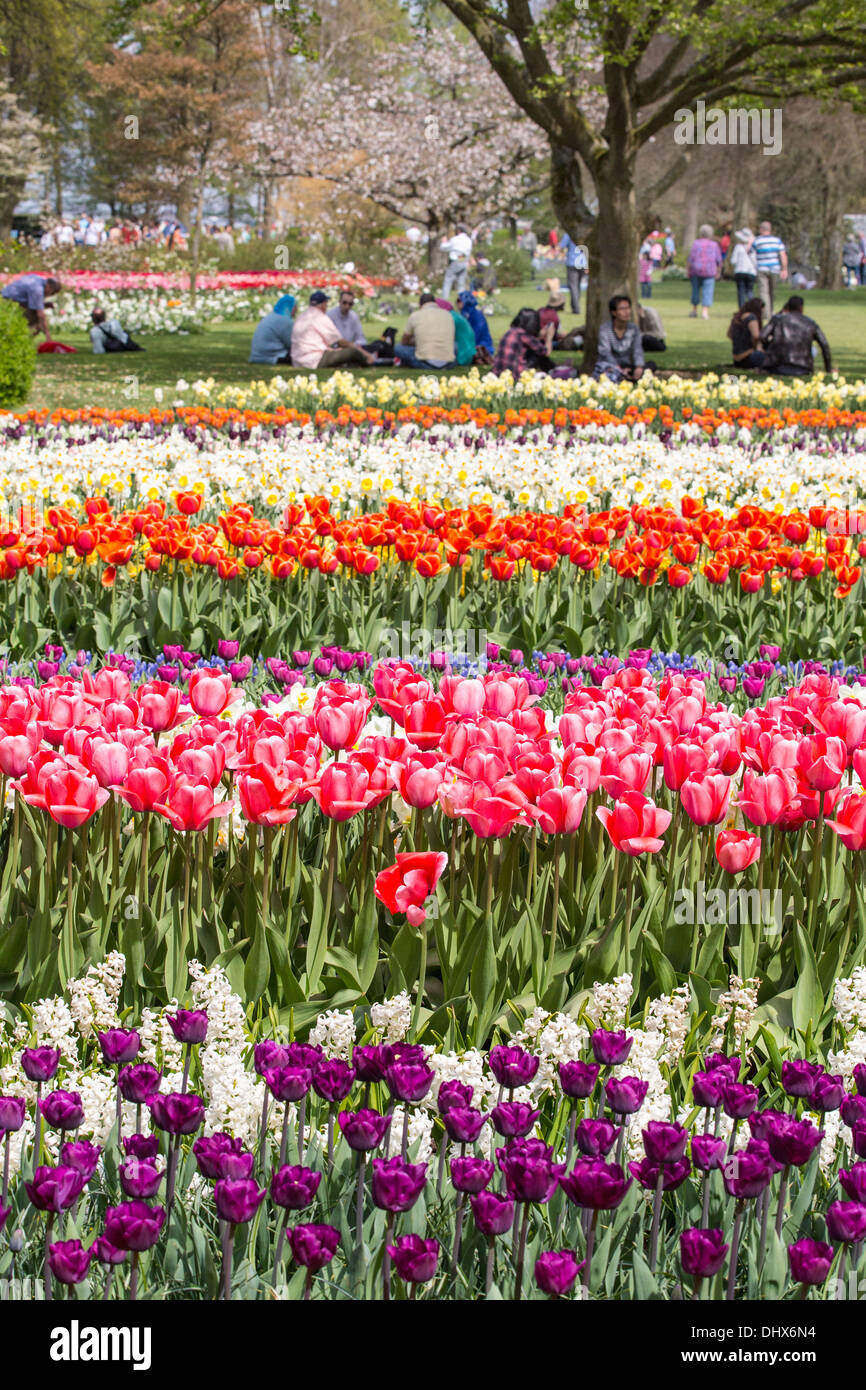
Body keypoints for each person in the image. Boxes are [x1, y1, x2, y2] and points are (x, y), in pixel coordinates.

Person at [290, 290, 377, 369]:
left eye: (350, 304)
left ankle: (351, 364)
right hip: (314, 360)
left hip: (297, 361)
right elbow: (341, 342)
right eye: (344, 303)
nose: (347, 306)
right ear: (323, 304)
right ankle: (369, 362)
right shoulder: (320, 317)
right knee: (352, 352)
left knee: (349, 351)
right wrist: (366, 355)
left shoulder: (302, 316)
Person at [760, 295, 831, 376]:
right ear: (801, 308)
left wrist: (769, 347)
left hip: (778, 365)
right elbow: (824, 345)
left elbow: (762, 336)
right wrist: (828, 368)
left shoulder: (778, 320)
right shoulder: (810, 323)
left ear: (788, 307)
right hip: (803, 368)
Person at [394, 292, 455, 369]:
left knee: (398, 348)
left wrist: (415, 342)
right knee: (455, 345)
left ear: (420, 305)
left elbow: (404, 341)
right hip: (448, 363)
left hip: (425, 362)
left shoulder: (415, 315)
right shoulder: (448, 315)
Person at [492, 308, 554, 380]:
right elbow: (545, 352)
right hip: (515, 376)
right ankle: (552, 372)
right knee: (537, 354)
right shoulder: (524, 335)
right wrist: (549, 337)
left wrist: (539, 336)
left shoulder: (510, 331)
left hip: (498, 374)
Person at [593, 295, 645, 382]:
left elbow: (637, 349)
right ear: (614, 312)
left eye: (628, 308)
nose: (627, 312)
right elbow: (605, 352)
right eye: (622, 309)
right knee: (607, 370)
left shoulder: (633, 329)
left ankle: (629, 376)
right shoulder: (605, 329)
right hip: (611, 365)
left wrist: (639, 367)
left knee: (649, 366)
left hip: (627, 365)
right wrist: (617, 367)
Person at [1, 273, 60, 337]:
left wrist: (44, 304)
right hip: (8, 303)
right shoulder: (38, 289)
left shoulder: (36, 278)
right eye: (51, 293)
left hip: (4, 298)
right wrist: (47, 334)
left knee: (35, 317)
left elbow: (27, 299)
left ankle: (23, 337)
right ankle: (24, 338)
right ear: (49, 287)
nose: (48, 295)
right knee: (38, 320)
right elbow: (40, 314)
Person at [686, 225, 723, 318]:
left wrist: (688, 270)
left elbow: (691, 258)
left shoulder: (696, 244)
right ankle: (705, 312)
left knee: (695, 290)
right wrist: (718, 271)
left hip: (696, 270)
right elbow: (718, 259)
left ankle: (694, 310)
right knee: (708, 291)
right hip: (709, 271)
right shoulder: (714, 245)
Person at [752, 220, 788, 315]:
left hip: (762, 269)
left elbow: (750, 253)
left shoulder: (757, 241)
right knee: (772, 291)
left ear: (761, 229)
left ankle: (766, 313)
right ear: (770, 230)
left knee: (763, 292)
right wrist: (784, 269)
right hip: (775, 269)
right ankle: (770, 310)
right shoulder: (777, 241)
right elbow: (783, 255)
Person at [248, 294, 296, 364]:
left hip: (257, 355)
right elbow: (291, 343)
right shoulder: (284, 320)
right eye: (295, 307)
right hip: (271, 356)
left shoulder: (271, 316)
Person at [726, 297, 768, 369]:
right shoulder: (751, 317)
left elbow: (729, 334)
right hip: (749, 357)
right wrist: (755, 347)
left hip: (737, 359)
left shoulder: (737, 317)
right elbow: (756, 336)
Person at [440, 223, 473, 301]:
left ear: (458, 230)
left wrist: (444, 242)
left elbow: (444, 248)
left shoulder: (455, 239)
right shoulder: (468, 240)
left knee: (448, 280)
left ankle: (444, 299)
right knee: (461, 282)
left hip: (456, 261)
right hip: (464, 261)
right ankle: (462, 300)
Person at [457, 290, 494, 357]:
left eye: (459, 300)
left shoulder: (477, 315)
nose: (457, 303)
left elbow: (476, 335)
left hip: (481, 346)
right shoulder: (464, 314)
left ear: (465, 301)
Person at [559, 230, 588, 313]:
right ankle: (575, 305)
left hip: (572, 262)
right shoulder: (585, 234)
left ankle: (576, 308)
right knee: (577, 285)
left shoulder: (569, 234)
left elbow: (562, 246)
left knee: (573, 286)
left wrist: (564, 253)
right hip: (583, 262)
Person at [729, 229, 758, 308]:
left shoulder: (738, 247)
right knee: (750, 291)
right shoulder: (754, 248)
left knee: (741, 292)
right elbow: (756, 261)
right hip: (751, 272)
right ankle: (751, 307)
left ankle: (742, 308)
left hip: (740, 271)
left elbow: (733, 261)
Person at [538, 282, 566, 352]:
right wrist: (563, 337)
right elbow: (552, 336)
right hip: (543, 342)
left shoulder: (540, 310)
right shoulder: (554, 316)